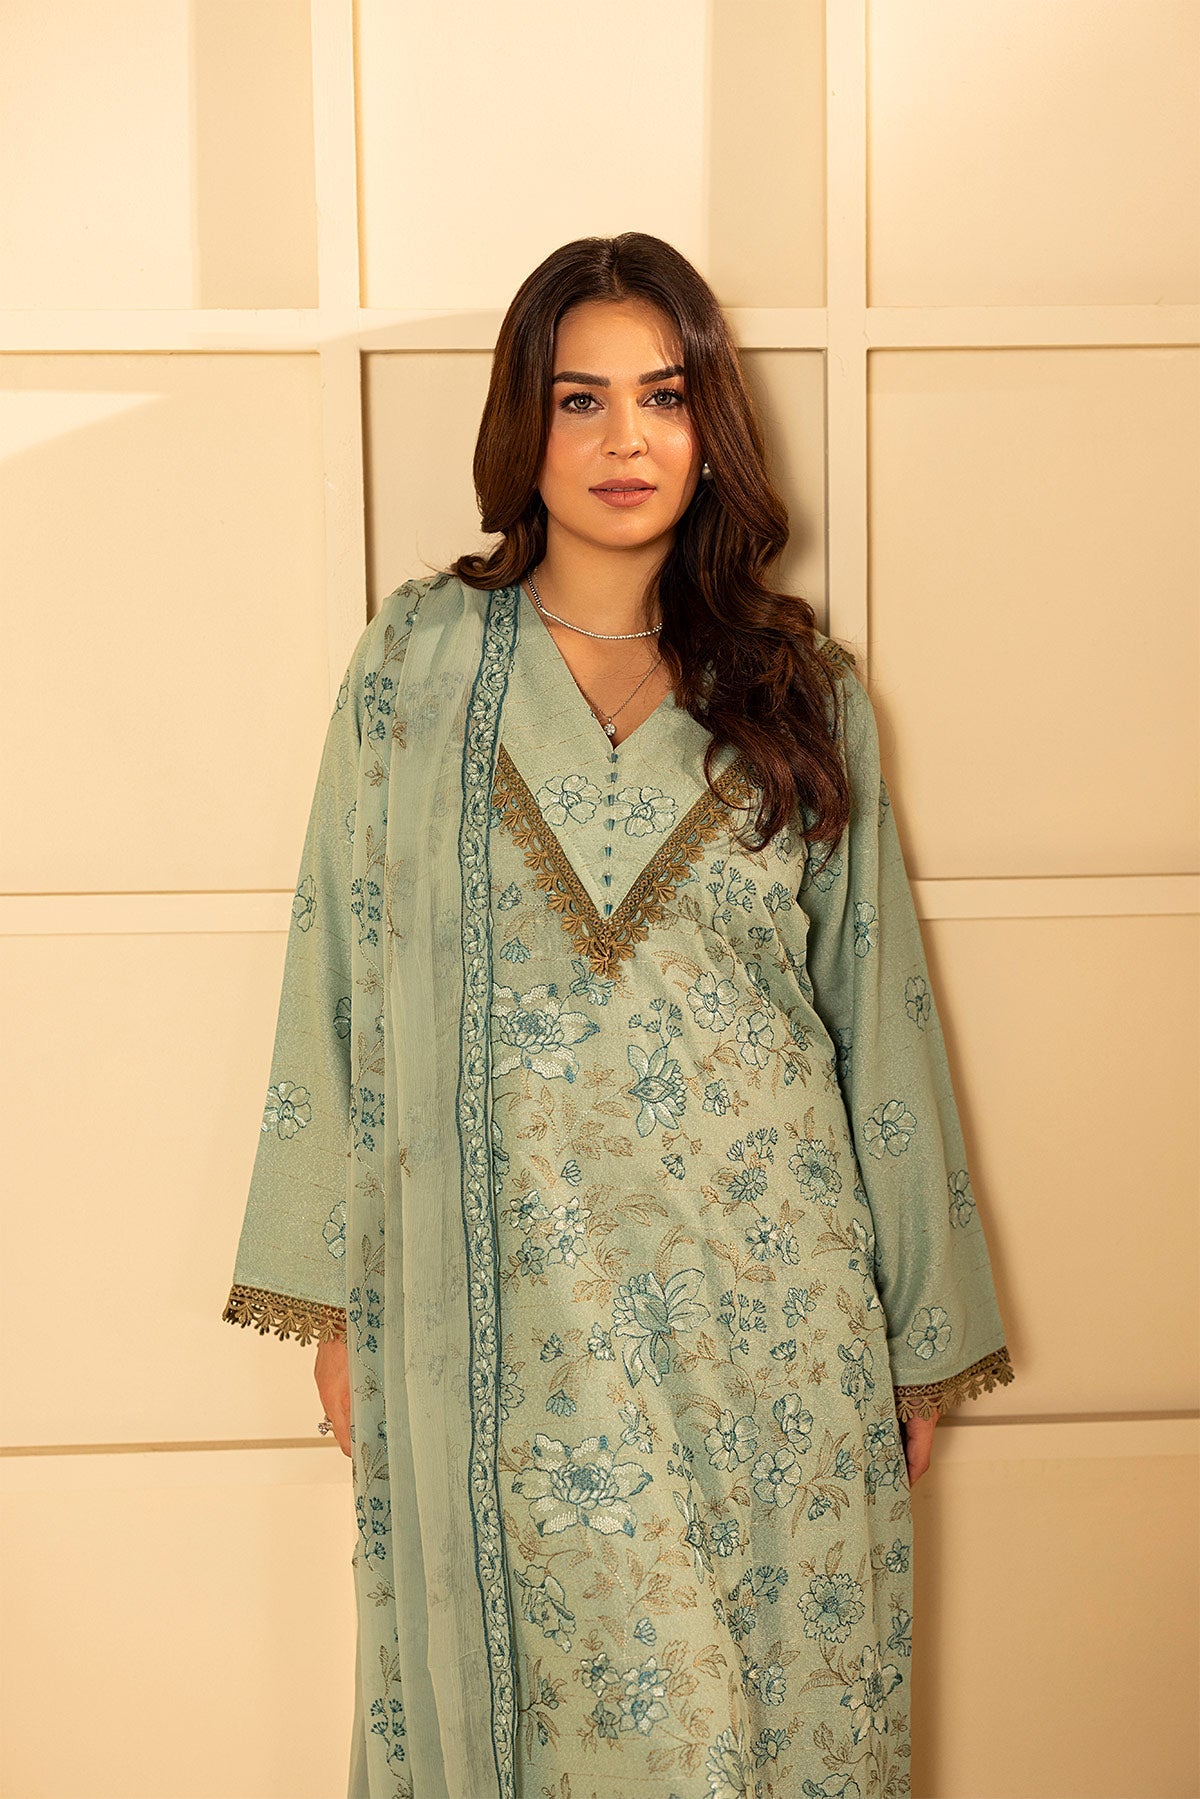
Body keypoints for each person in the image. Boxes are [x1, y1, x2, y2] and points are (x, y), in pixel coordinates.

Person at [222, 231, 1015, 1799]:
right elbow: (332, 968)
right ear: (526, 427)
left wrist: (915, 1347)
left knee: (761, 1714)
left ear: (711, 422)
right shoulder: (416, 669)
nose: (625, 441)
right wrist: (334, 1315)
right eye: (580, 401)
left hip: (768, 1327)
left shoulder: (801, 687)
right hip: (502, 1325)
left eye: (663, 396)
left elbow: (882, 1014)